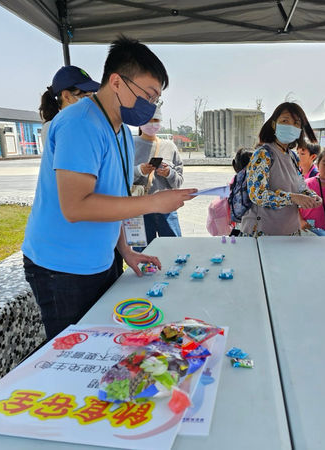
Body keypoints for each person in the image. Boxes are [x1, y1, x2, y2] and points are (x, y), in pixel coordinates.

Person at [22, 36, 196, 340]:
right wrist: (155, 203)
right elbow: (76, 206)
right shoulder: (80, 124)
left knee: (107, 346)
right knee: (75, 356)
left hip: (101, 260)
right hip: (63, 269)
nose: (151, 105)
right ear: (116, 81)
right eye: (148, 94)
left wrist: (125, 250)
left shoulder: (121, 132)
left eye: (157, 98)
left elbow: (113, 199)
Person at [240, 102, 321, 236]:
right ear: (274, 124)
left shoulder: (292, 156)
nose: (290, 126)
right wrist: (293, 198)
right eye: (285, 121)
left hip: (289, 232)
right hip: (263, 234)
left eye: (296, 123)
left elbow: (299, 186)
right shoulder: (263, 154)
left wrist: (311, 196)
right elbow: (258, 195)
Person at [132, 106, 184, 243]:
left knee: (175, 248)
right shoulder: (130, 145)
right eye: (148, 120)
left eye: (156, 120)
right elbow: (119, 176)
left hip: (166, 208)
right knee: (142, 253)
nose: (152, 123)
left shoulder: (169, 146)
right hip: (139, 208)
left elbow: (179, 181)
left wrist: (169, 173)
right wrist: (139, 170)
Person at [300, 148, 325, 232]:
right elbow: (292, 207)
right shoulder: (306, 184)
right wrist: (300, 221)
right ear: (318, 165)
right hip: (306, 229)